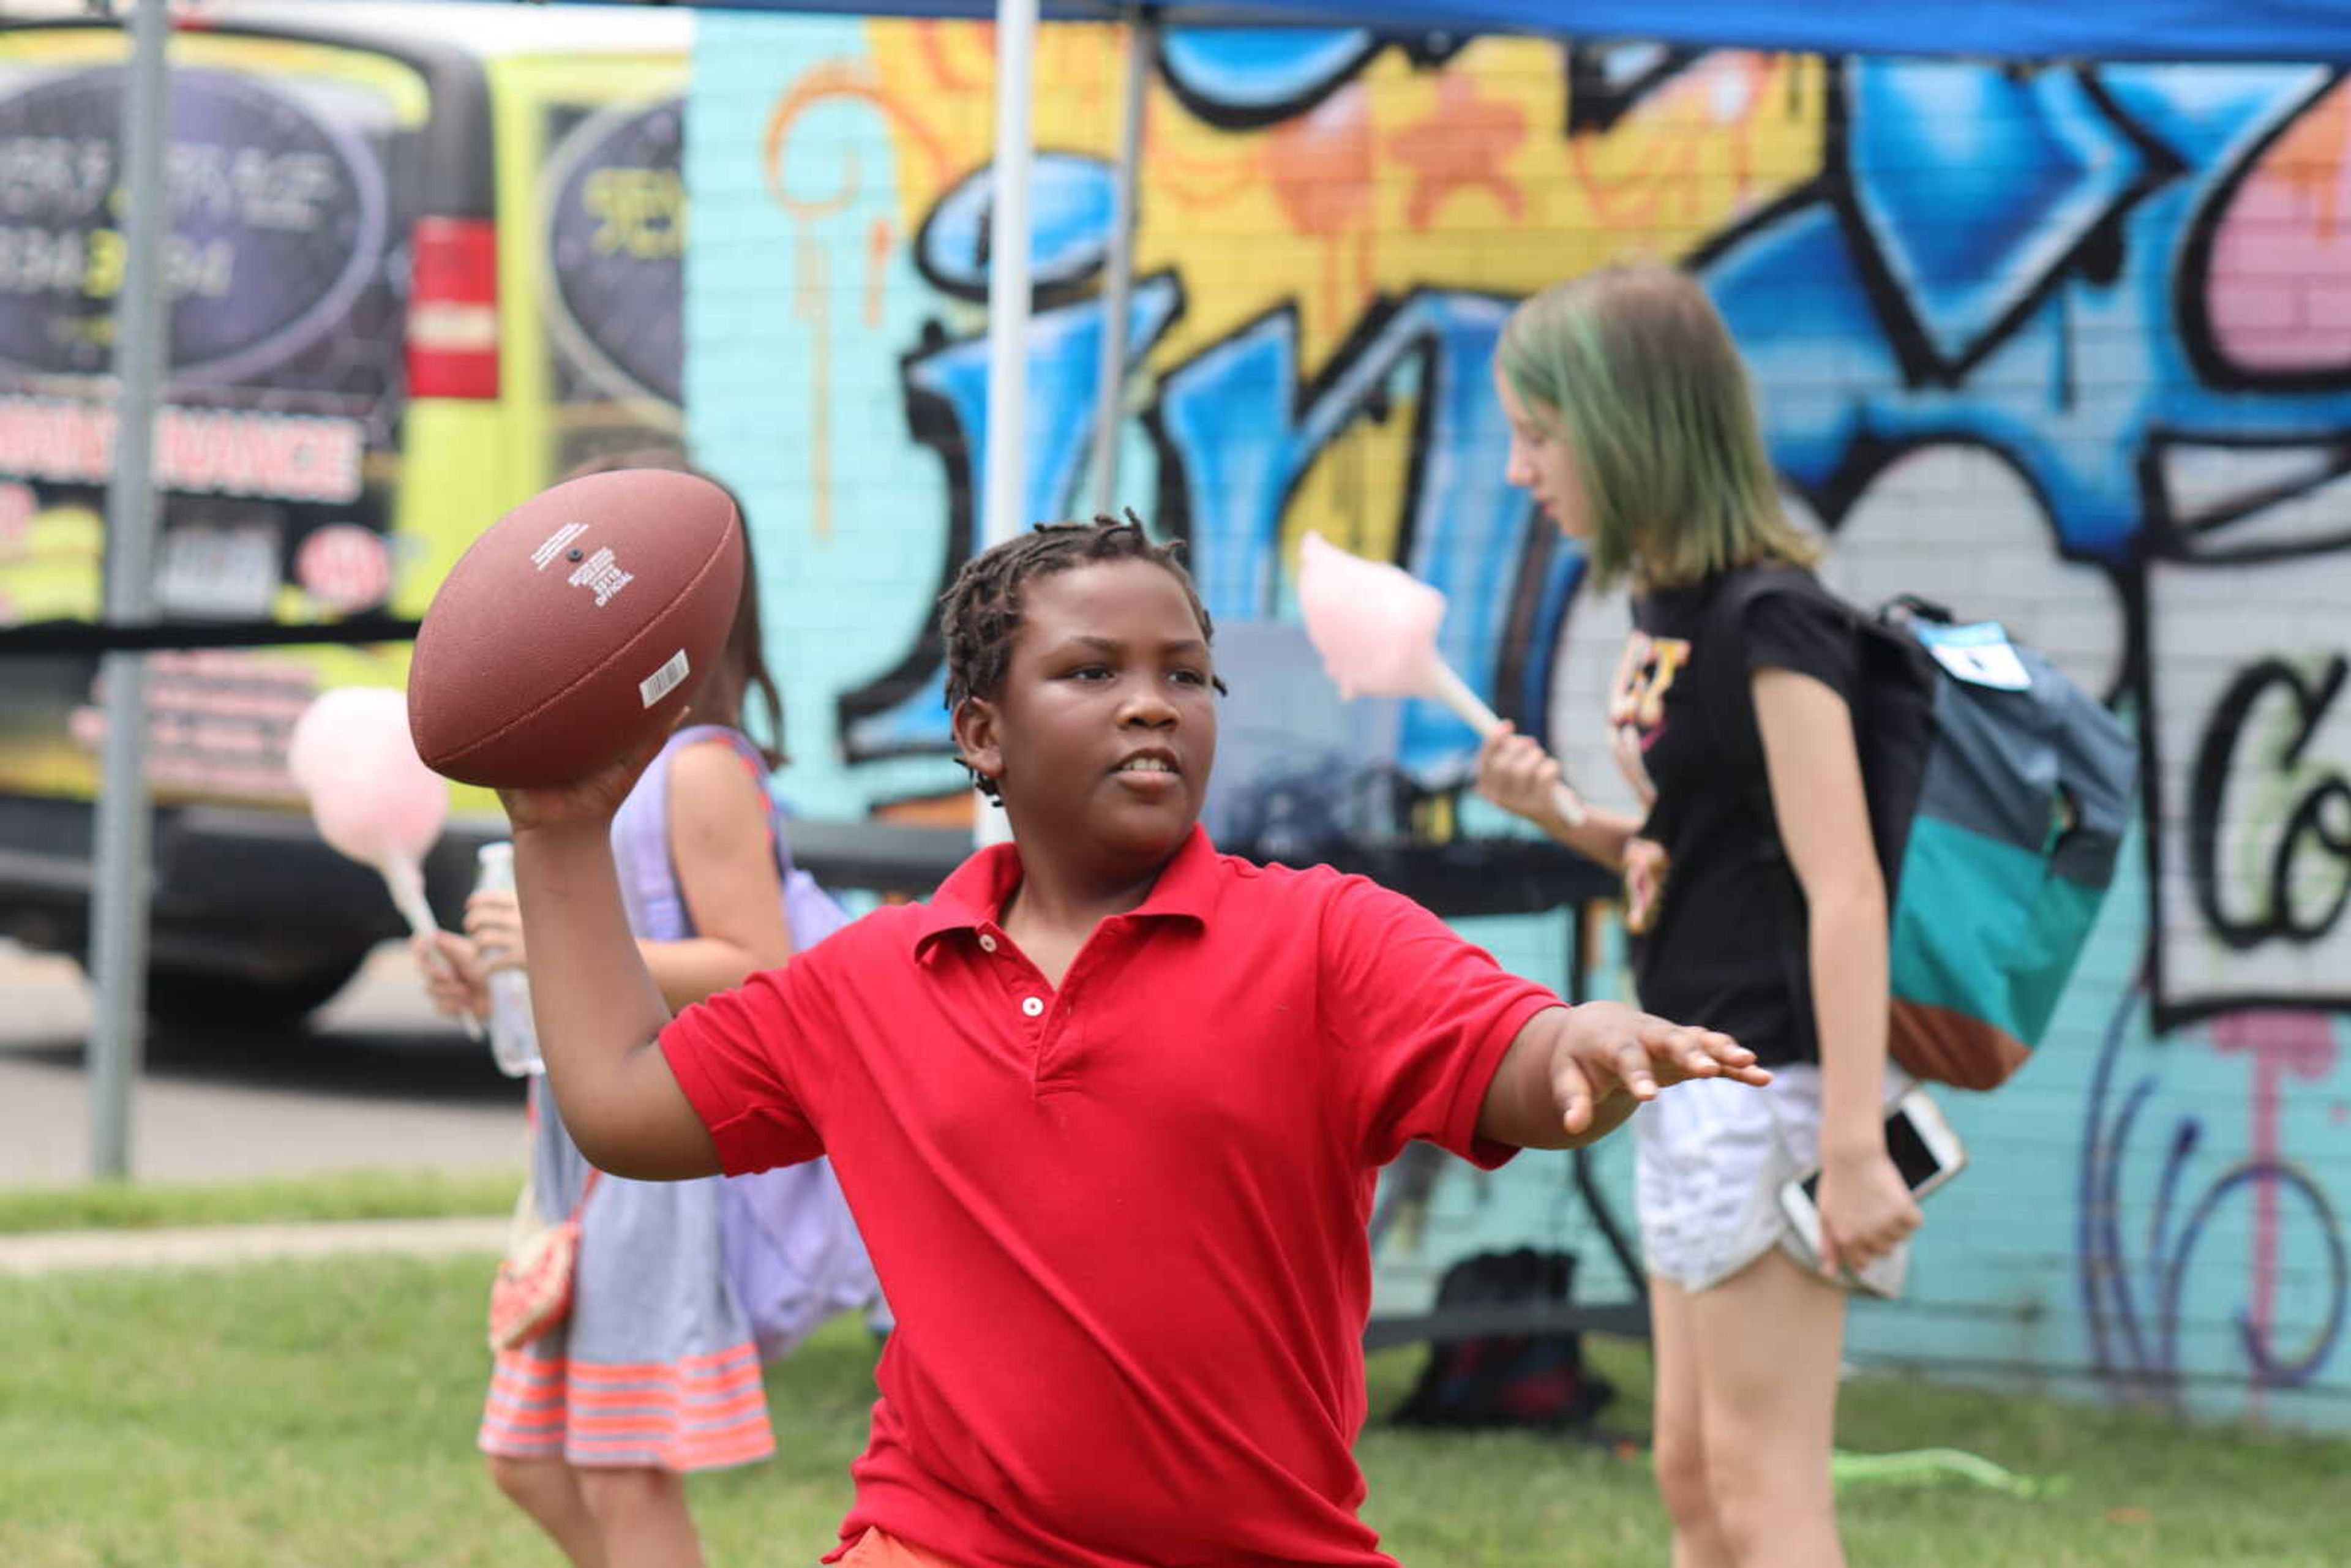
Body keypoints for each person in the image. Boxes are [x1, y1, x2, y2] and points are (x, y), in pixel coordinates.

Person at [482, 513, 1769, 1568]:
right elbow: (621, 1103)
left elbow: (1521, 1063)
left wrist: (1588, 1054)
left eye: (1186, 677)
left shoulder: (1323, 940)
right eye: (1092, 672)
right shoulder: (870, 981)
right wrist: (558, 830)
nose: (1151, 704)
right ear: (980, 730)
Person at [1475, 261, 1922, 1568]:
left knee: (1766, 1489)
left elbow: (1844, 884)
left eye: (1538, 435)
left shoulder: (1773, 619)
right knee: (1693, 1475)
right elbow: (1720, 854)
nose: (1519, 471)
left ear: (1628, 425)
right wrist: (1570, 820)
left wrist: (1850, 1143)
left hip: (1778, 1088)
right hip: (1696, 1076)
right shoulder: (1666, 611)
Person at [416, 450, 867, 1568]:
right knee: (527, 1457)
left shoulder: (701, 769)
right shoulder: (563, 784)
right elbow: (574, 982)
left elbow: (760, 965)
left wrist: (582, 951)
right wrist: (490, 981)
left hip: (654, 1173)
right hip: (571, 1158)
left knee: (621, 1465)